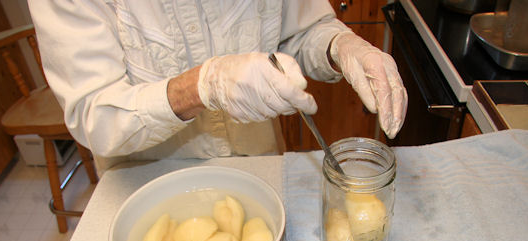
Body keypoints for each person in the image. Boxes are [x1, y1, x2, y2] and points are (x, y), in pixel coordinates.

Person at [28, 0, 407, 171]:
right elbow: (94, 114)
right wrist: (199, 87)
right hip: (148, 183)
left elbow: (297, 30)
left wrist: (339, 45)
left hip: (260, 164)